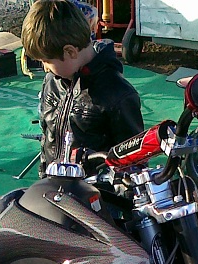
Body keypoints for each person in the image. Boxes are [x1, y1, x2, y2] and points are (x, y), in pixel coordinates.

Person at [21, 0, 144, 177]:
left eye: (46, 61)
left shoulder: (117, 94)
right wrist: (44, 175)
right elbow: (47, 134)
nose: (45, 68)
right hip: (54, 184)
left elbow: (134, 159)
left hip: (95, 190)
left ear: (70, 52)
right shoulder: (52, 81)